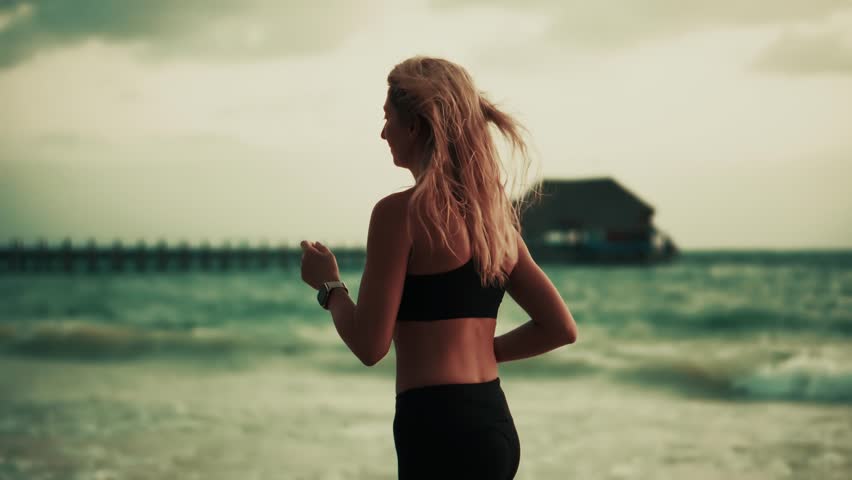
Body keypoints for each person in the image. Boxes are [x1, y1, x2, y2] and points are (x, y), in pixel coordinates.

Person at [300, 56, 578, 480]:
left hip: (435, 428)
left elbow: (370, 346)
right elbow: (560, 328)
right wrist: (487, 352)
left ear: (414, 127)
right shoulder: (494, 219)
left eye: (387, 118)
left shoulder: (399, 215)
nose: (382, 133)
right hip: (493, 423)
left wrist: (330, 286)